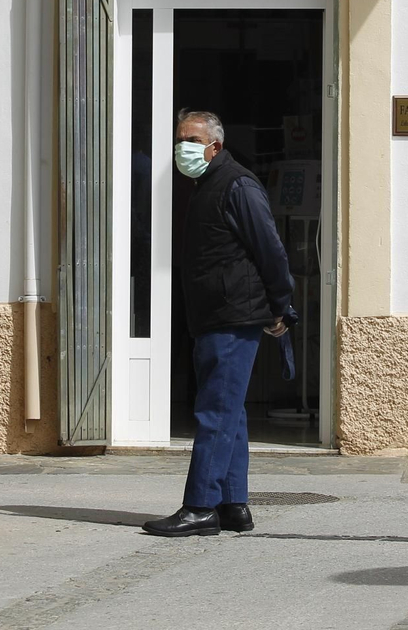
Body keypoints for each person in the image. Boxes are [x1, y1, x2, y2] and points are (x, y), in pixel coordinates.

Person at [144, 110, 296, 538]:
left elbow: (271, 248)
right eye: (179, 139)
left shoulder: (237, 184)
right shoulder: (207, 184)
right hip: (216, 314)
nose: (183, 147)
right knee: (230, 411)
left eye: (191, 139)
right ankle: (233, 505)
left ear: (215, 145)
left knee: (214, 411)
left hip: (232, 316)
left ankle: (199, 506)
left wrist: (281, 306)